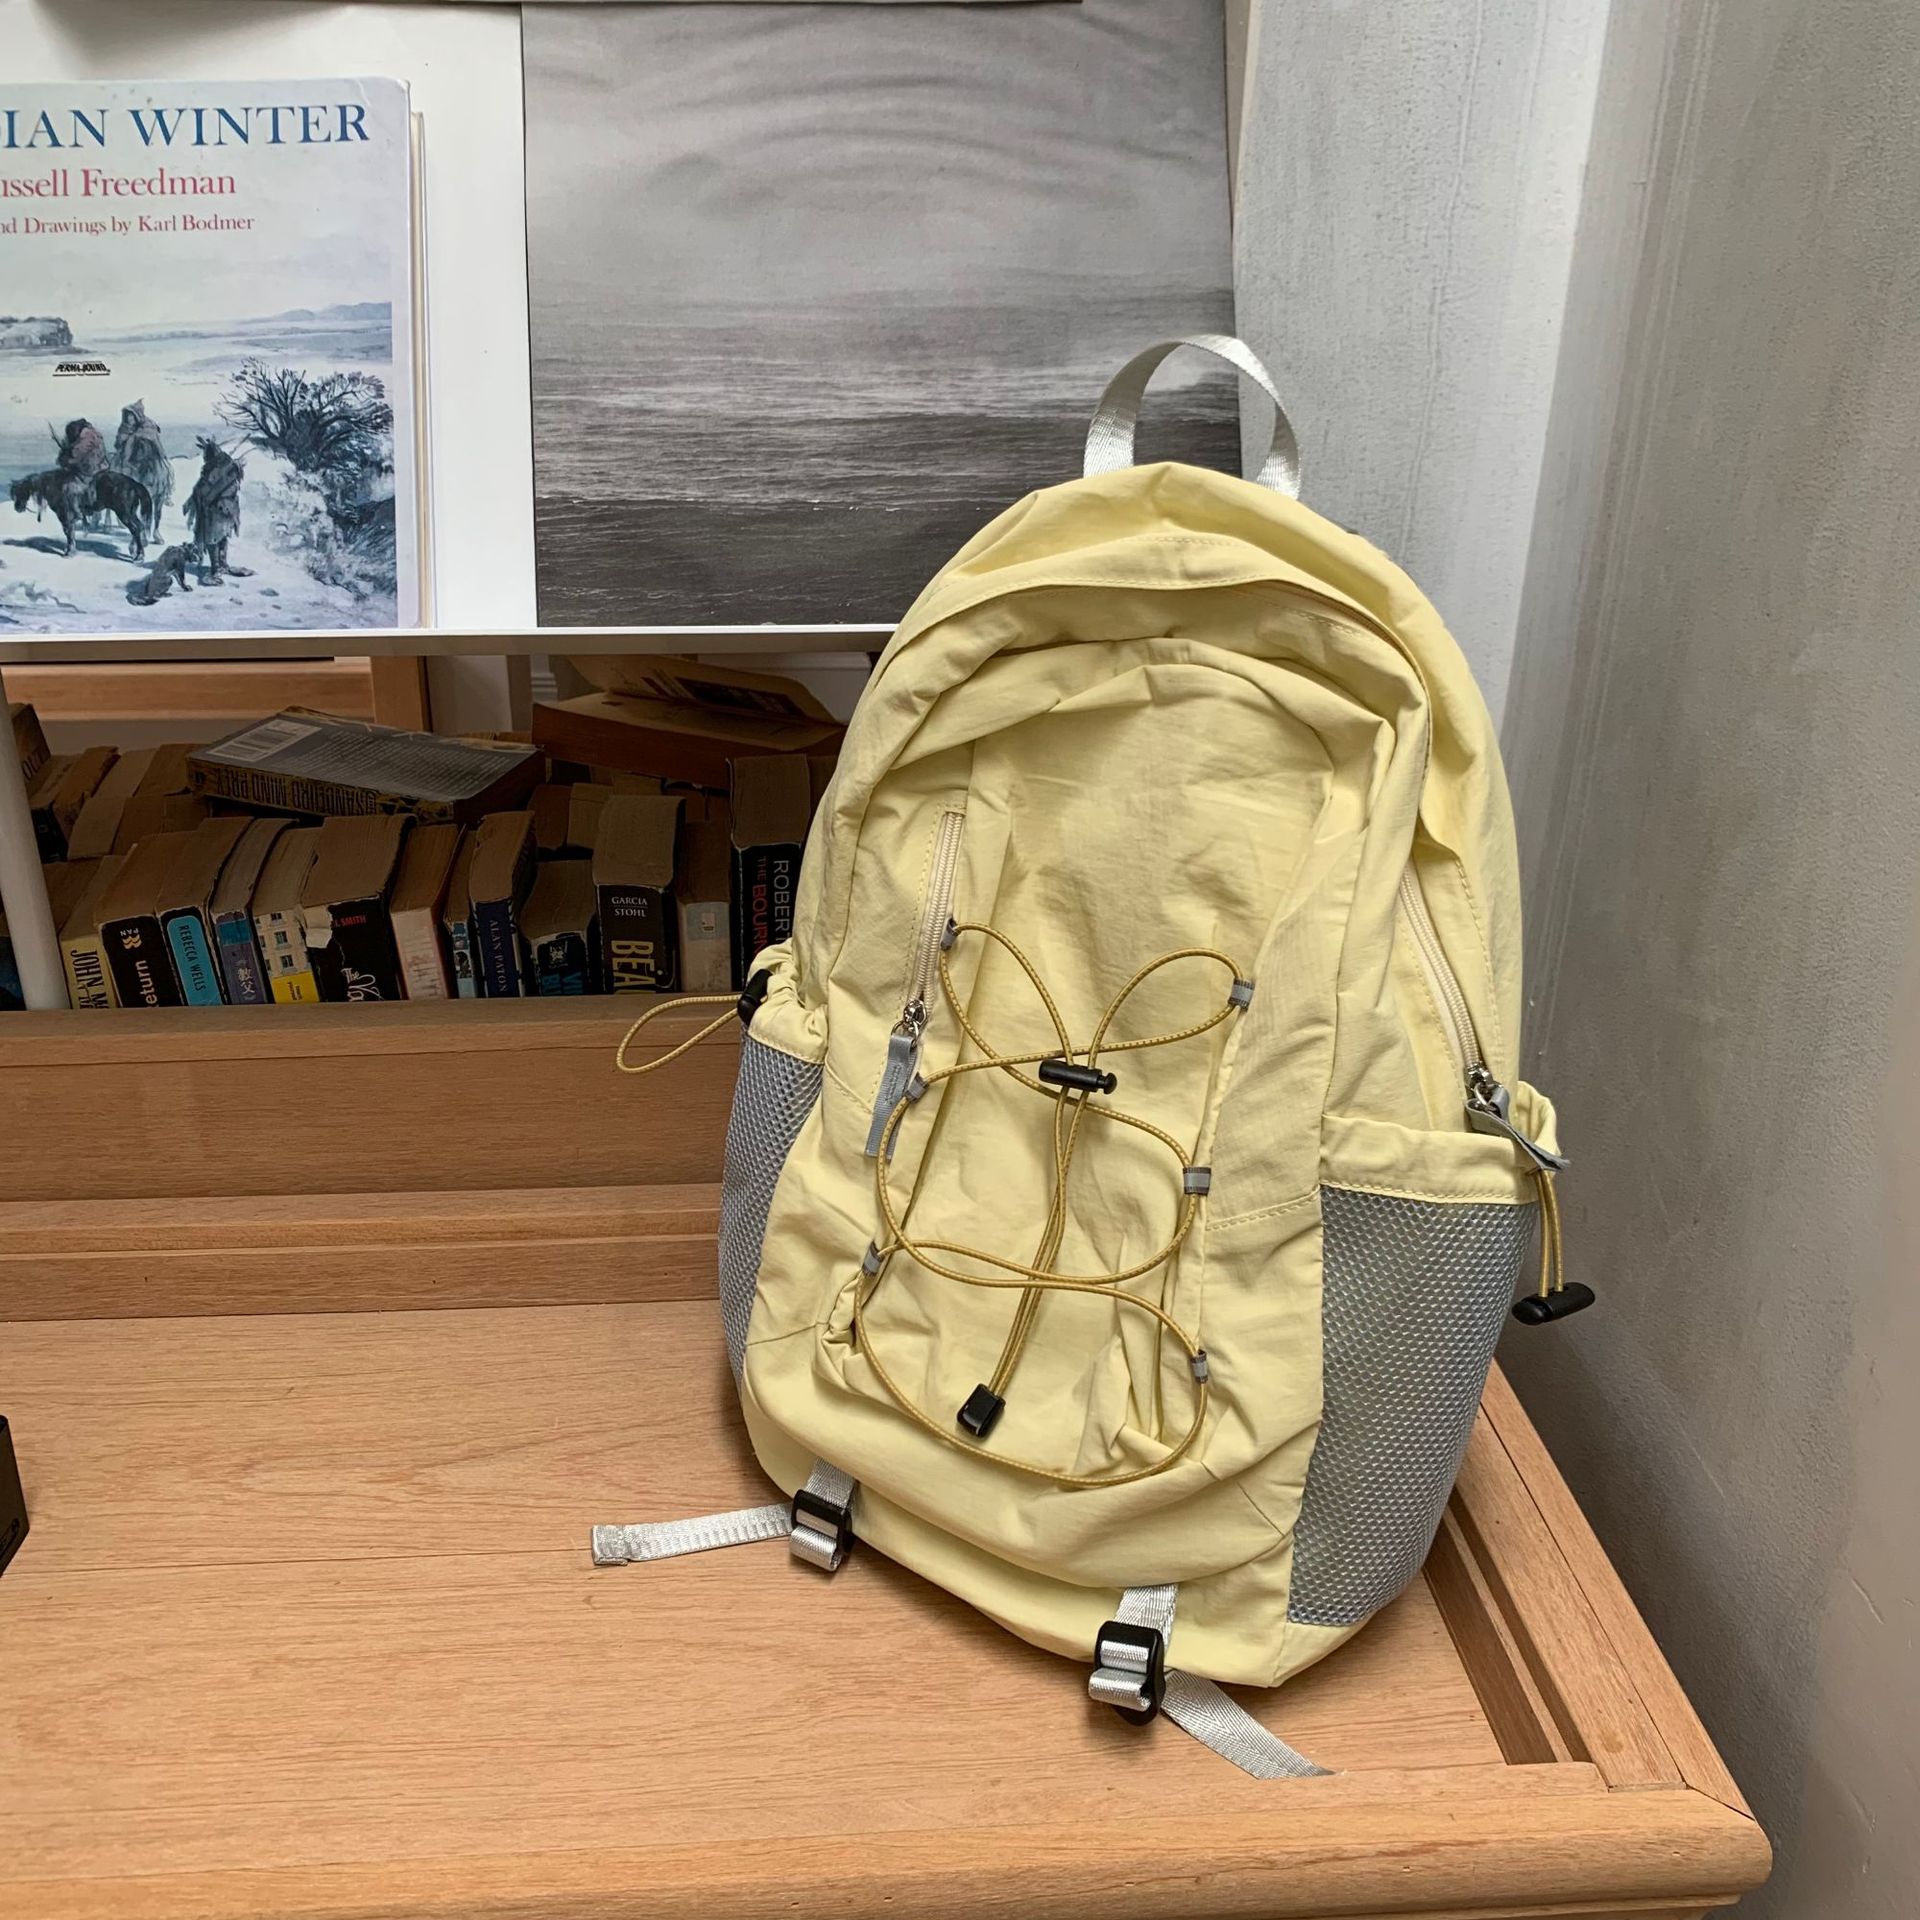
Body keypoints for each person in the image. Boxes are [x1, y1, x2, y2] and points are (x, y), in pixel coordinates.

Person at [183, 437, 252, 584]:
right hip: (229, 509)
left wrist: (201, 499)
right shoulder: (228, 466)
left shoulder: (216, 469)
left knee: (212, 539)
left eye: (205, 454)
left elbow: (208, 490)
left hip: (217, 509)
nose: (204, 457)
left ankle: (216, 568)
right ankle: (222, 563)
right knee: (222, 537)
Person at [113, 401, 173, 529]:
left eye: (131, 416)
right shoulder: (124, 427)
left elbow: (156, 441)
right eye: (127, 416)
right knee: (116, 467)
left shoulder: (148, 425)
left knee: (167, 469)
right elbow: (118, 443)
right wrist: (126, 441)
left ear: (137, 416)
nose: (129, 419)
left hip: (150, 455)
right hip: (129, 457)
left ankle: (166, 492)